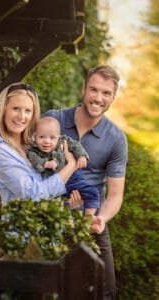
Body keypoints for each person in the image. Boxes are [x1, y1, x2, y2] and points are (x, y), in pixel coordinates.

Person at [43, 65, 128, 299]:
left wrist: (101, 218)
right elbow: (24, 156)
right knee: (50, 289)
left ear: (113, 97)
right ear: (84, 89)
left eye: (106, 93)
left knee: (106, 292)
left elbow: (115, 195)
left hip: (91, 222)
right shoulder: (53, 119)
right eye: (94, 90)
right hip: (51, 220)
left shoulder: (115, 138)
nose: (98, 98)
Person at [0, 83, 82, 208]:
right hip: (23, 227)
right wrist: (71, 165)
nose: (22, 117)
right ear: (3, 110)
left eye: (28, 110)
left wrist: (67, 204)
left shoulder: (35, 143)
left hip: (51, 224)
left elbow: (48, 185)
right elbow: (32, 195)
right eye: (16, 109)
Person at [26, 116, 101, 216]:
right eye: (42, 137)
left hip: (72, 178)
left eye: (52, 137)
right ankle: (67, 221)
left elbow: (76, 146)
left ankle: (89, 216)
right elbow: (34, 160)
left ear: (59, 136)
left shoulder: (64, 141)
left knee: (92, 192)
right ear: (35, 136)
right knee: (58, 206)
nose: (47, 141)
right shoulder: (32, 150)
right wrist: (45, 163)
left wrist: (82, 156)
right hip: (53, 182)